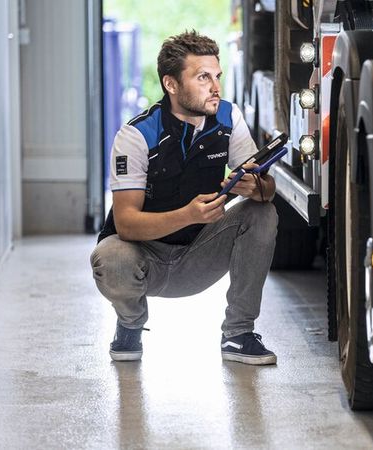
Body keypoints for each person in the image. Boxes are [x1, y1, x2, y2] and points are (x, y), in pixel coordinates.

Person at [90, 30, 278, 365]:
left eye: (217, 76)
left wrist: (258, 187)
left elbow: (265, 187)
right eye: (203, 77)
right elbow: (126, 223)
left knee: (262, 212)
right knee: (111, 257)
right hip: (143, 258)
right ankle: (130, 324)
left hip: (200, 254)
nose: (215, 87)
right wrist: (189, 214)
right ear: (171, 85)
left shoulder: (227, 117)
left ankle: (238, 334)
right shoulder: (136, 136)